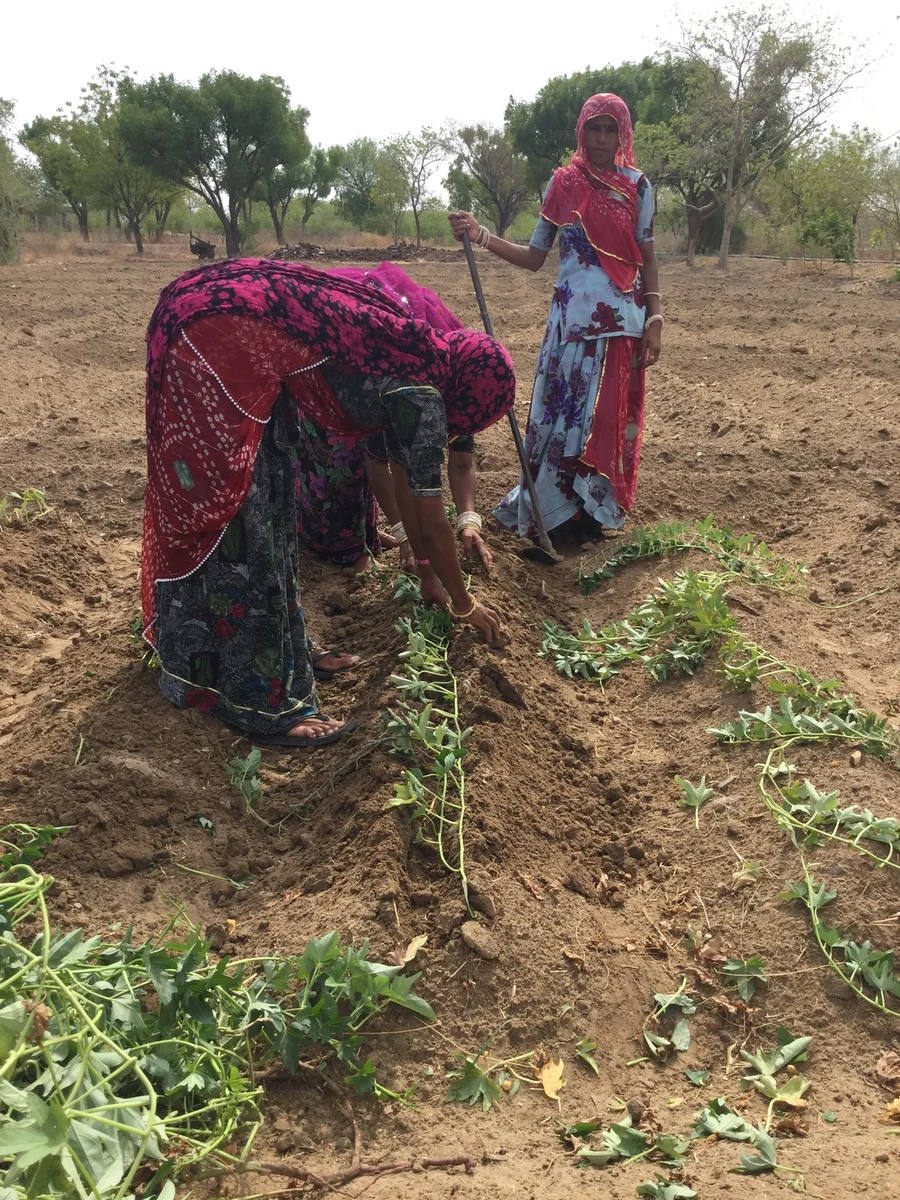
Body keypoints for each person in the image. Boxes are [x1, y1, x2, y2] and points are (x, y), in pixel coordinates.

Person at [141, 258, 514, 749]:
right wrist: (465, 606)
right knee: (240, 519)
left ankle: (284, 654)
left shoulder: (420, 358)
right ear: (469, 397)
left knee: (274, 501)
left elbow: (411, 491)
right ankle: (255, 699)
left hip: (231, 333)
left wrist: (428, 574)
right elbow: (428, 525)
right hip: (215, 339)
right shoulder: (423, 395)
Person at [449, 93, 662, 542]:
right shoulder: (565, 183)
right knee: (561, 415)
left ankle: (591, 513)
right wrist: (480, 234)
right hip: (570, 324)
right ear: (581, 132)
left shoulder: (637, 186)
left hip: (622, 322)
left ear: (622, 134)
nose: (601, 139)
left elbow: (646, 250)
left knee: (602, 418)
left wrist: (656, 316)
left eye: (610, 129)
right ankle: (554, 509)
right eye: (593, 128)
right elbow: (533, 256)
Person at [293, 262, 492, 574]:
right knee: (337, 457)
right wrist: (406, 535)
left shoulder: (468, 385)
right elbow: (380, 463)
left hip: (376, 352)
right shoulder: (406, 386)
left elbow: (462, 462)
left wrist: (469, 521)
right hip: (335, 355)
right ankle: (343, 548)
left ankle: (364, 534)